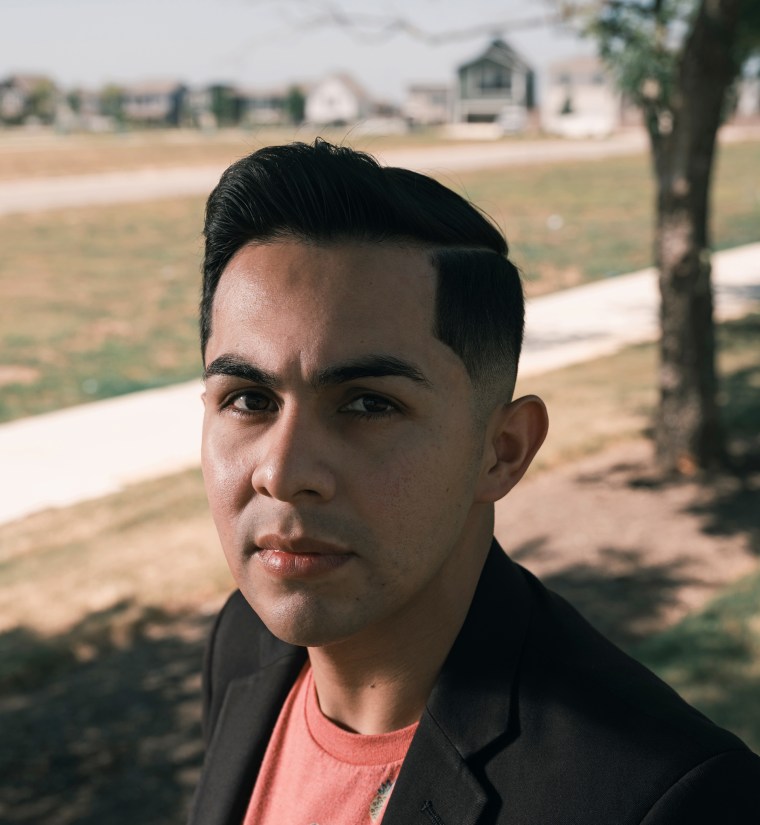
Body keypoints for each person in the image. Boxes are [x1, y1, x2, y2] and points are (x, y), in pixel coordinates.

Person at [189, 139, 760, 825]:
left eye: (369, 404)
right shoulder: (244, 643)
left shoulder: (671, 799)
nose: (282, 473)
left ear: (503, 450)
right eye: (249, 398)